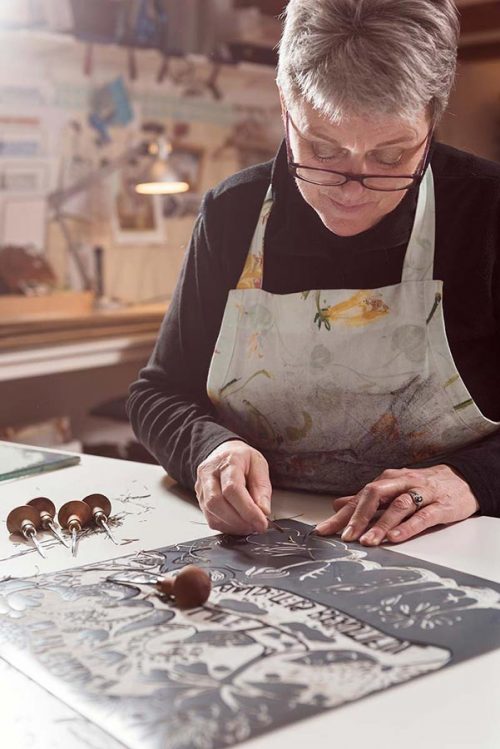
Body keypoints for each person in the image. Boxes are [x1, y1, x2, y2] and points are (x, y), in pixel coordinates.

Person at [128, 0, 500, 547]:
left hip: (453, 541)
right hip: (265, 537)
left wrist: (473, 479)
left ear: (432, 117)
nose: (353, 188)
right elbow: (157, 392)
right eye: (324, 150)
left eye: (392, 156)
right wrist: (209, 447)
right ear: (286, 105)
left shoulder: (486, 209)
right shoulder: (233, 213)